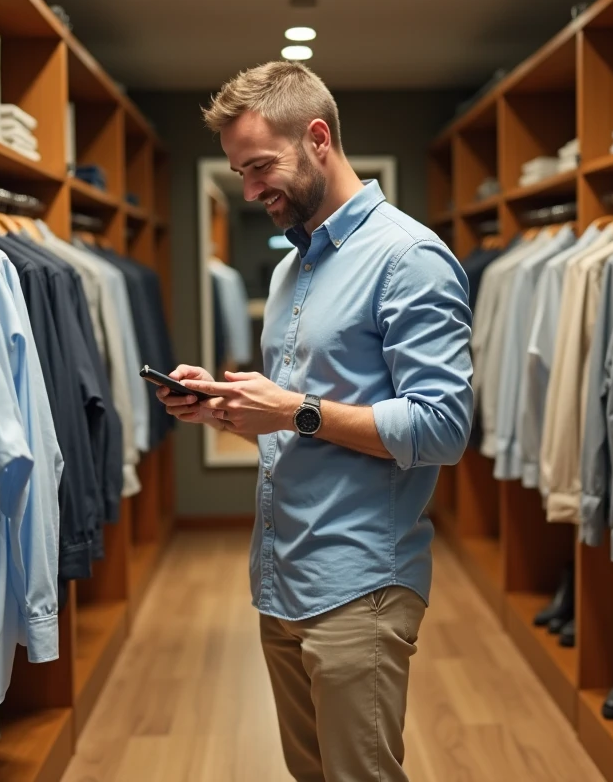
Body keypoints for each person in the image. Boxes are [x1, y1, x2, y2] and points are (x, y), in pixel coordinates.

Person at [157, 60, 474, 782]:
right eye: (240, 173)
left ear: (320, 138)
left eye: (261, 166)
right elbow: (299, 426)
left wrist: (293, 409)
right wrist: (227, 410)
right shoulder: (289, 269)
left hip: (361, 584)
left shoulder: (408, 259)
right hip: (282, 576)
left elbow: (444, 428)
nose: (251, 189)